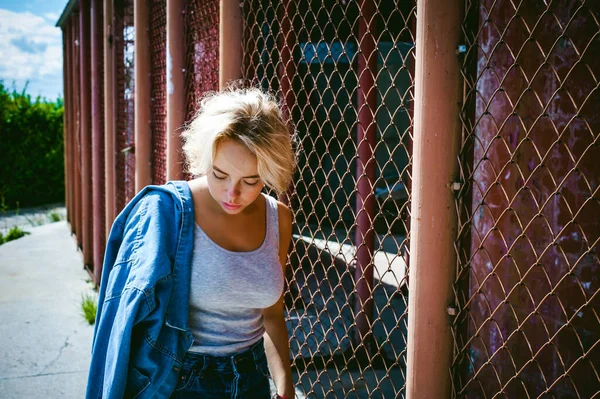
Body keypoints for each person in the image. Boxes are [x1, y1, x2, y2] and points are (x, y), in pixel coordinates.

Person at [86, 86, 296, 399]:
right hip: (182, 380)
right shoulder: (166, 212)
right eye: (219, 174)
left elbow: (272, 316)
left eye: (250, 181)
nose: (231, 193)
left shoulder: (277, 217)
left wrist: (285, 384)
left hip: (252, 379)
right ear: (203, 158)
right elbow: (121, 324)